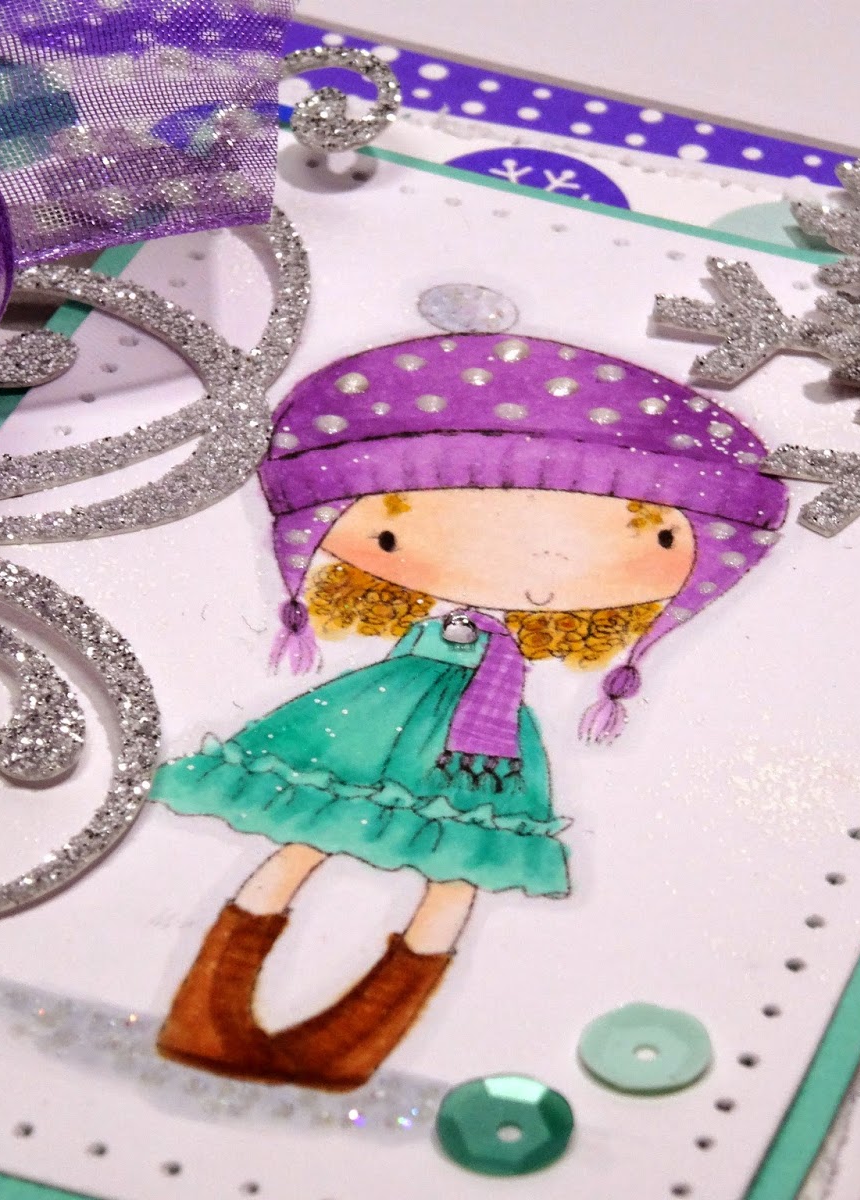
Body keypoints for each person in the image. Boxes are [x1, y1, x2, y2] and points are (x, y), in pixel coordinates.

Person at [151, 327, 787, 1091]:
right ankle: (208, 1016)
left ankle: (349, 1045)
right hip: (378, 718)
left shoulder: (511, 658)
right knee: (308, 837)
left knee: (456, 872)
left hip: (485, 744)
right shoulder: (438, 630)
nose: (540, 572)